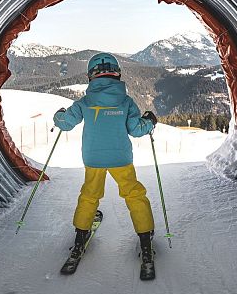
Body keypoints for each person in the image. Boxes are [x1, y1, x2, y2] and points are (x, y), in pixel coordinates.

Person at [53, 52, 158, 280]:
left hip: (94, 159)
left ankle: (80, 239)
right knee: (134, 195)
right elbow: (136, 130)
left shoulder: (86, 101)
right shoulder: (126, 102)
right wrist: (150, 121)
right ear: (117, 73)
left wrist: (58, 115)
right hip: (121, 158)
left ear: (91, 76)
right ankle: (145, 240)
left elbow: (65, 123)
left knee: (89, 196)